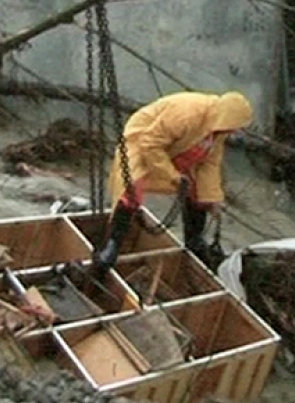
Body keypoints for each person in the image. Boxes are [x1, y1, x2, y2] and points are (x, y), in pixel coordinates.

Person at [94, 91, 254, 273]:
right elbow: (150, 143)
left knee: (197, 190)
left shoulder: (218, 130)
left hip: (176, 148)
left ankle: (193, 240)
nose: (234, 132)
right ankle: (113, 244)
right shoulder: (187, 113)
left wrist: (212, 197)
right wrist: (173, 176)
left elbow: (209, 163)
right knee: (131, 187)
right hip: (142, 141)